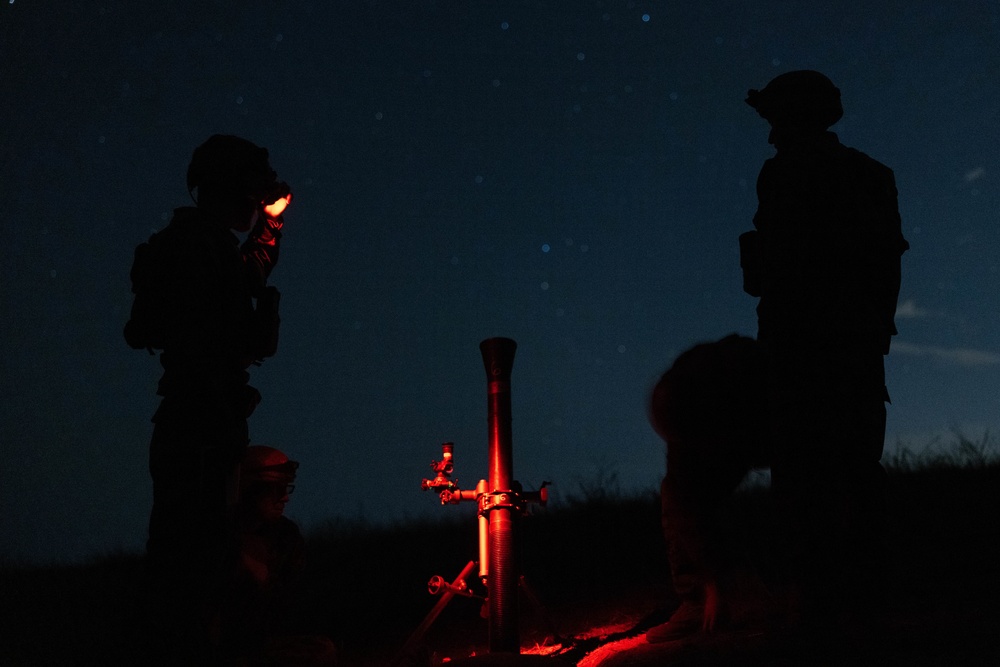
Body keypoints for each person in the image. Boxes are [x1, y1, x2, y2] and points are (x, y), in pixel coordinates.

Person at [740, 71, 909, 632]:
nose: (769, 135)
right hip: (853, 345)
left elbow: (775, 271)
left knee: (804, 474)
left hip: (805, 347)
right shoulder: (871, 175)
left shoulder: (784, 175)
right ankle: (863, 598)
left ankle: (815, 602)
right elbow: (888, 265)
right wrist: (873, 330)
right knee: (854, 469)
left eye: (776, 121)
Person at [125, 134, 292, 663]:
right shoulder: (195, 247)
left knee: (195, 552)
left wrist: (272, 222)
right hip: (200, 421)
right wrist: (252, 331)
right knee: (193, 560)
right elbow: (222, 325)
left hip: (201, 418)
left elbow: (246, 274)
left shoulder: (203, 242)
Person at [645, 334, 774, 643]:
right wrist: (710, 584)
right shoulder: (680, 401)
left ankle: (813, 589)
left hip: (765, 421)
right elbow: (684, 505)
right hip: (725, 431)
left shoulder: (746, 377)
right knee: (676, 494)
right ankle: (695, 601)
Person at [219, 445, 337, 666]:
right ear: (248, 490)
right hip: (223, 648)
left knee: (321, 650)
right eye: (275, 489)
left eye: (286, 489)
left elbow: (292, 606)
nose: (284, 498)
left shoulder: (286, 538)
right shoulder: (216, 537)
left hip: (263, 642)